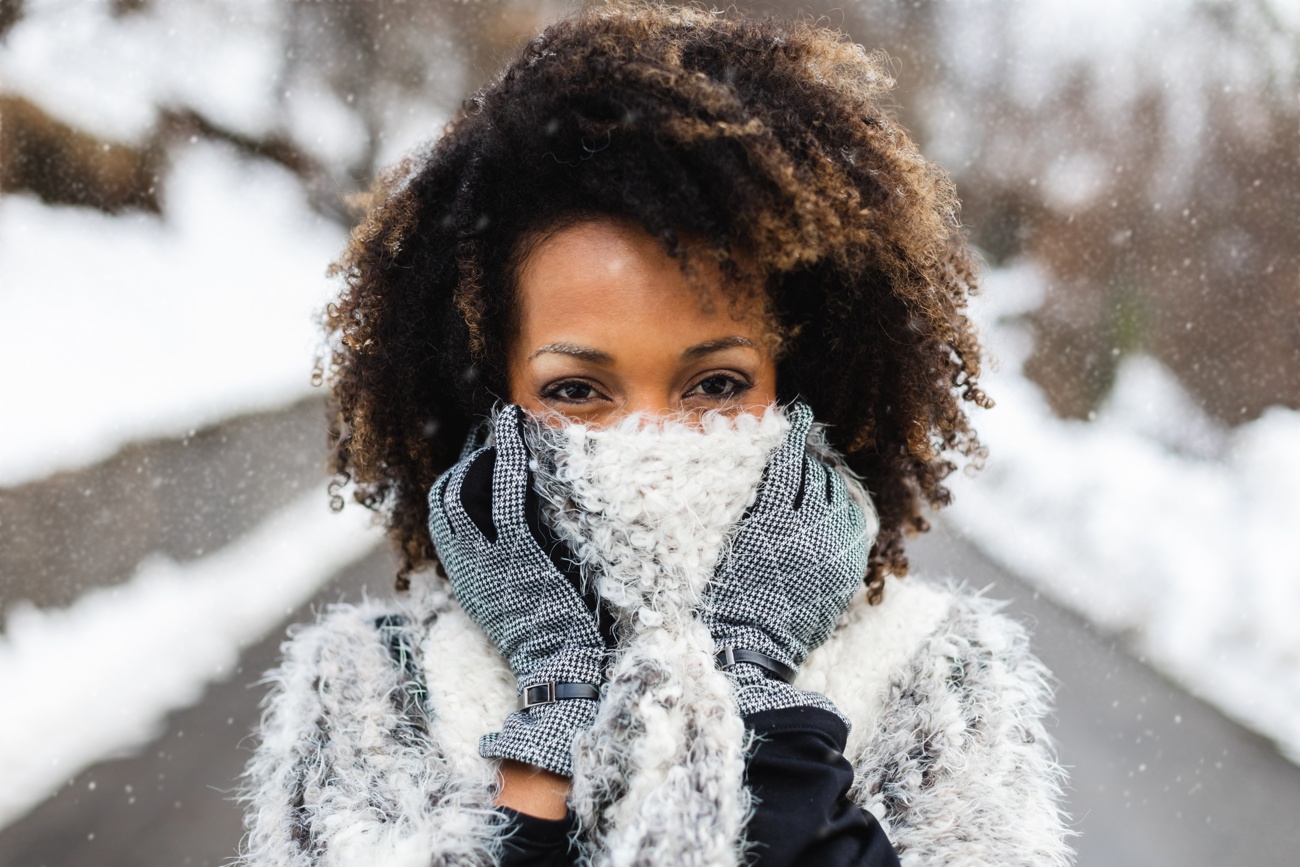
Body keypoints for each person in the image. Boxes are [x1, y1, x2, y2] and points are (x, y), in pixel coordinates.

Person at [237, 4, 1073, 866]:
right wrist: (557, 713)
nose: (651, 445)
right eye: (578, 390)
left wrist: (757, 700)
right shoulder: (375, 688)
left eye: (715, 384)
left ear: (800, 385)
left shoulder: (933, 675)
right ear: (491, 400)